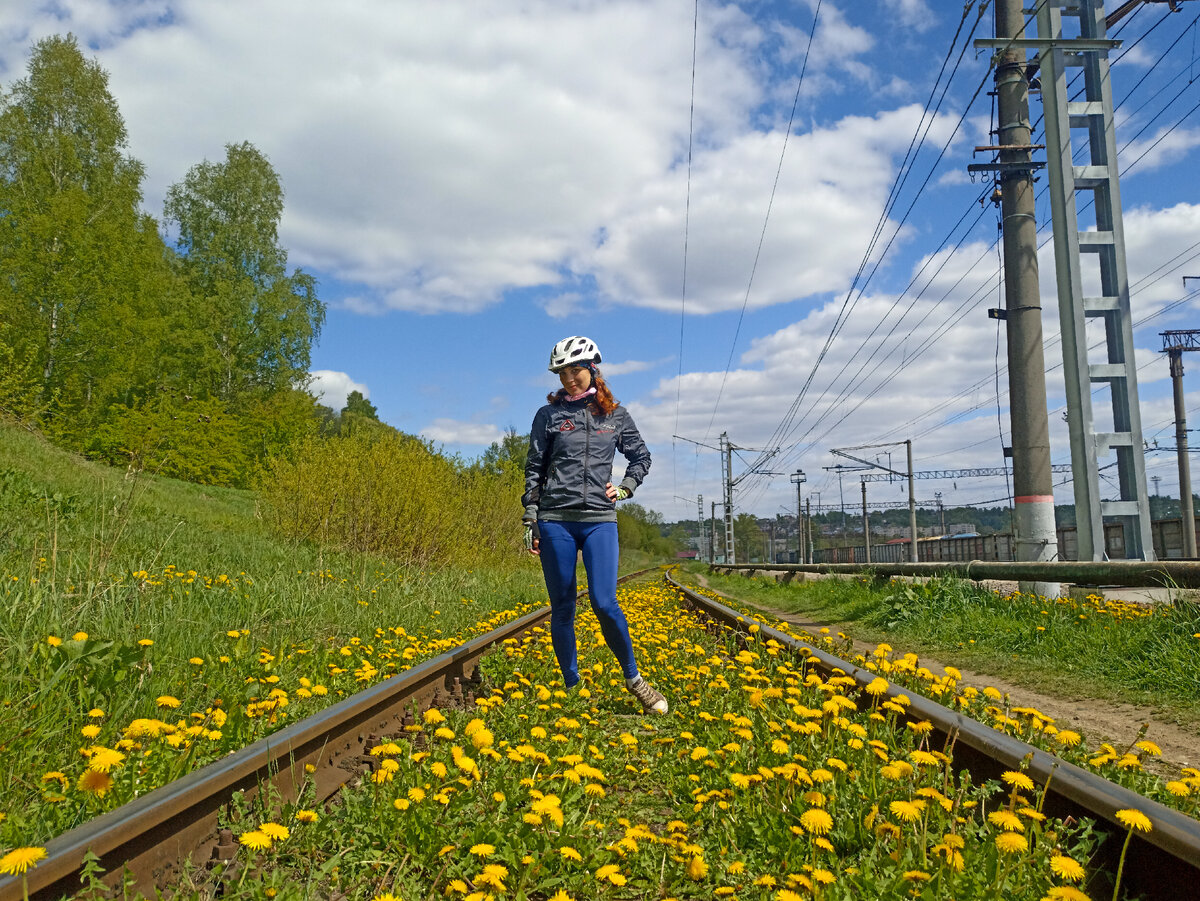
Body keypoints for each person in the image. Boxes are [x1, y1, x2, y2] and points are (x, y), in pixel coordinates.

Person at [522, 335, 668, 715]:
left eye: (575, 370)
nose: (569, 378)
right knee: (564, 607)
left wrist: (625, 488)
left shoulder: (615, 415)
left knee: (605, 602)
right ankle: (572, 687)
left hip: (600, 520)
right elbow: (534, 469)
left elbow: (641, 457)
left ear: (592, 369)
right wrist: (531, 517)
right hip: (556, 520)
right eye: (562, 372)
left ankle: (635, 679)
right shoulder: (548, 416)